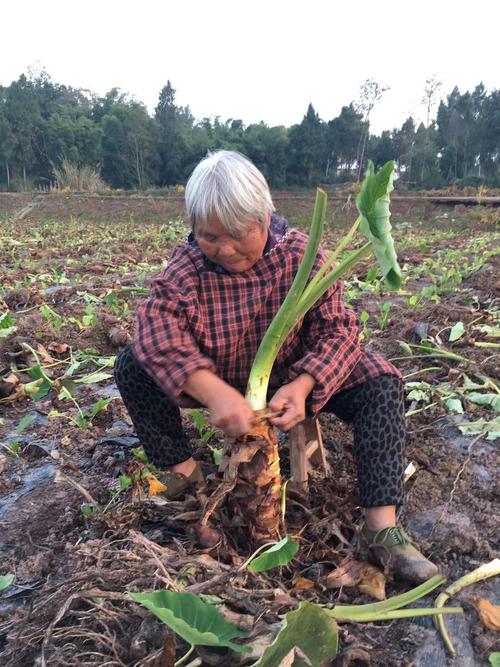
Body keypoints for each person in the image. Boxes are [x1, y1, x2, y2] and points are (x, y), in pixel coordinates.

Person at [115, 150, 438, 584]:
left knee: (381, 381)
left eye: (236, 234)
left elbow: (339, 328)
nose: (224, 249)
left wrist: (306, 383)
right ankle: (186, 477)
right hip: (218, 376)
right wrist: (212, 390)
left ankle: (381, 526)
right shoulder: (187, 267)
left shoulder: (300, 255)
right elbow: (156, 330)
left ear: (265, 218)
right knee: (131, 364)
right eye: (209, 236)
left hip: (291, 373)